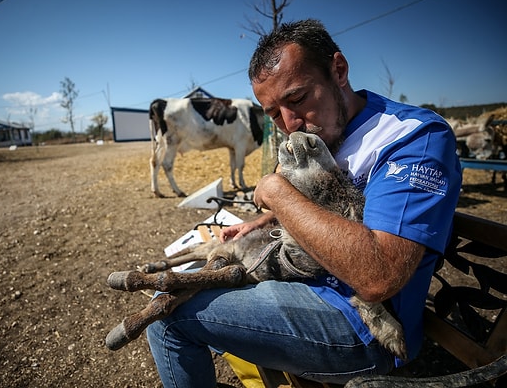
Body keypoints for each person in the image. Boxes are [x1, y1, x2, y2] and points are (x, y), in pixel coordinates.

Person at [146, 19, 462, 387]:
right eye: (274, 113)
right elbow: (314, 203)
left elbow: (379, 278)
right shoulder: (313, 132)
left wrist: (278, 193)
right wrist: (260, 222)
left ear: (338, 71)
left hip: (360, 325)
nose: (290, 123)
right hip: (298, 282)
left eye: (297, 99)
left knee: (168, 317)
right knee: (174, 285)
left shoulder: (410, 139)